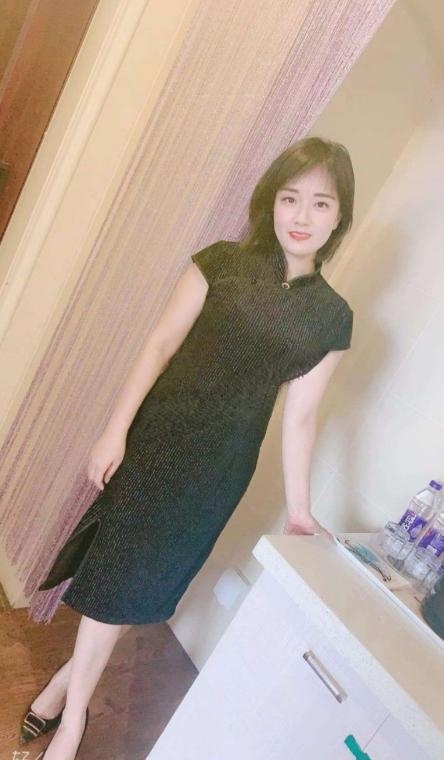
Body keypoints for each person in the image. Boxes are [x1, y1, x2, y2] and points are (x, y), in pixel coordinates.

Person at [22, 135, 355, 759]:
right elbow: (159, 346)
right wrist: (115, 429)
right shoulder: (222, 262)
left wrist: (300, 508)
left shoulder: (332, 318)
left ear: (339, 217)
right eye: (291, 198)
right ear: (271, 201)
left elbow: (301, 419)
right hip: (157, 443)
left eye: (321, 203)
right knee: (116, 574)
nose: (302, 216)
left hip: (219, 469)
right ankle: (73, 721)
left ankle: (66, 684)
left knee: (144, 585)